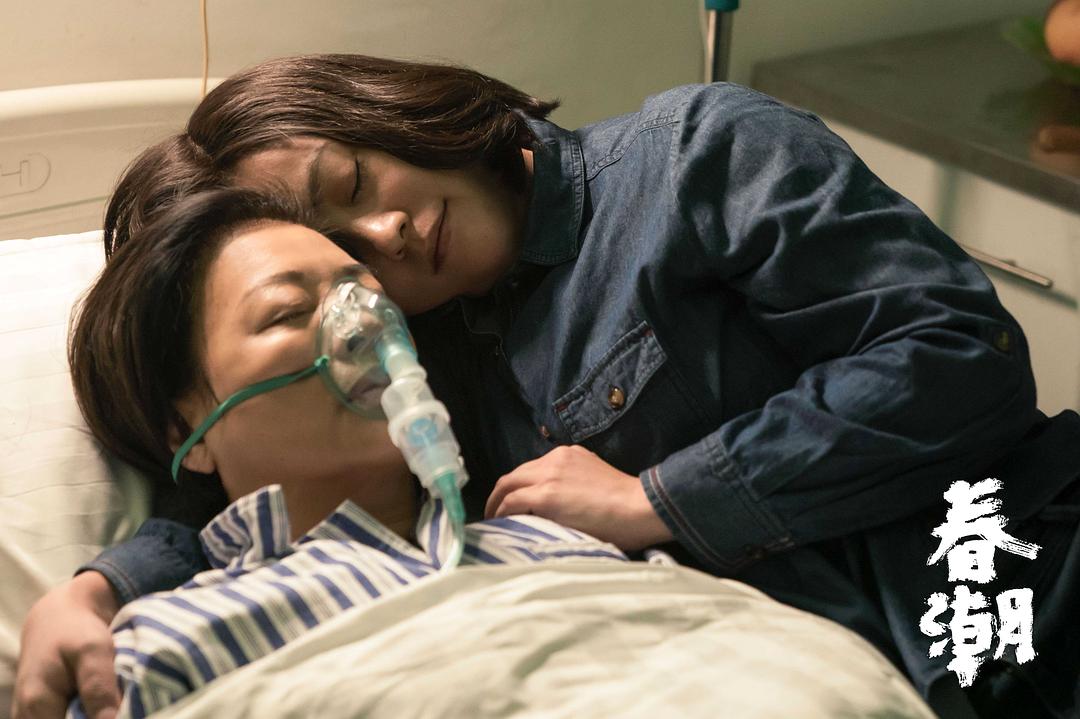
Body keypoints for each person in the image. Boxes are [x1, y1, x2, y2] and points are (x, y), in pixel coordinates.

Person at [13, 54, 1080, 719]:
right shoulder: (424, 355)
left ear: (381, 108)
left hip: (1026, 594)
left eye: (356, 182)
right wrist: (99, 587)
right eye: (346, 259)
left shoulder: (698, 155)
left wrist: (659, 499)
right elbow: (250, 478)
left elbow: (956, 355)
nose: (389, 237)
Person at [61, 187, 634, 718]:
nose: (362, 326)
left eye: (368, 295)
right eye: (287, 311)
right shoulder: (166, 649)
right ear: (187, 430)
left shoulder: (553, 540)